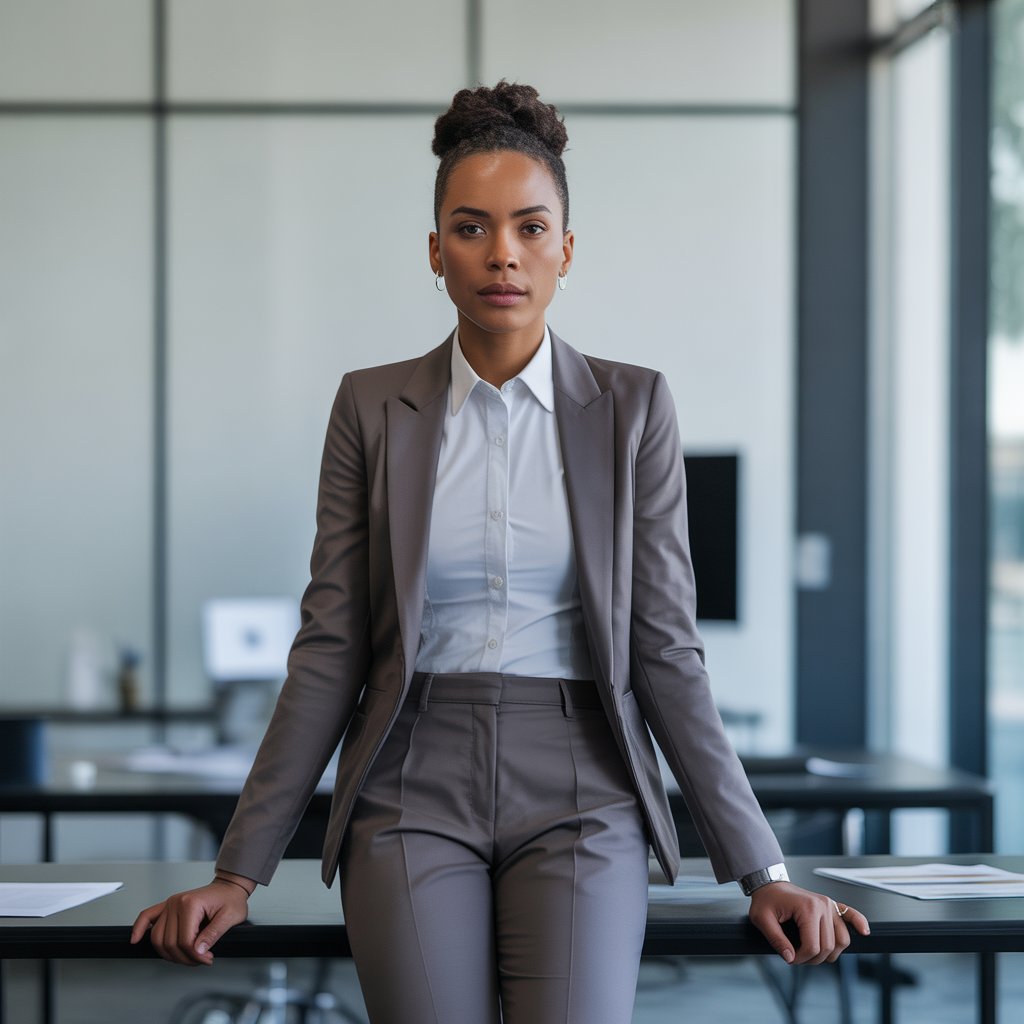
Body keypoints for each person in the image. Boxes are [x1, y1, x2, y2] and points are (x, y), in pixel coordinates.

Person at [132, 81, 870, 1023]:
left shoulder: (632, 408)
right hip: (407, 776)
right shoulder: (372, 407)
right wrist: (238, 870)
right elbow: (329, 649)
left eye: (530, 227)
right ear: (435, 252)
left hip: (584, 778)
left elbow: (666, 649)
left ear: (567, 248)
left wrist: (762, 869)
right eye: (472, 228)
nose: (503, 254)